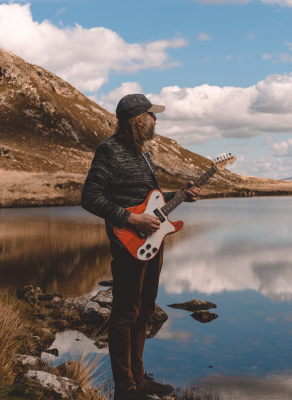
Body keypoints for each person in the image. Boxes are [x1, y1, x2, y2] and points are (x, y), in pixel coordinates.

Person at [81, 94, 200, 400]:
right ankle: (125, 388)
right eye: (152, 115)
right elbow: (90, 197)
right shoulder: (109, 150)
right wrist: (131, 220)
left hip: (153, 242)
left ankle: (138, 378)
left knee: (145, 310)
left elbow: (151, 200)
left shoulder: (143, 152)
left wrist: (180, 194)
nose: (156, 120)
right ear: (138, 119)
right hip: (127, 244)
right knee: (125, 313)